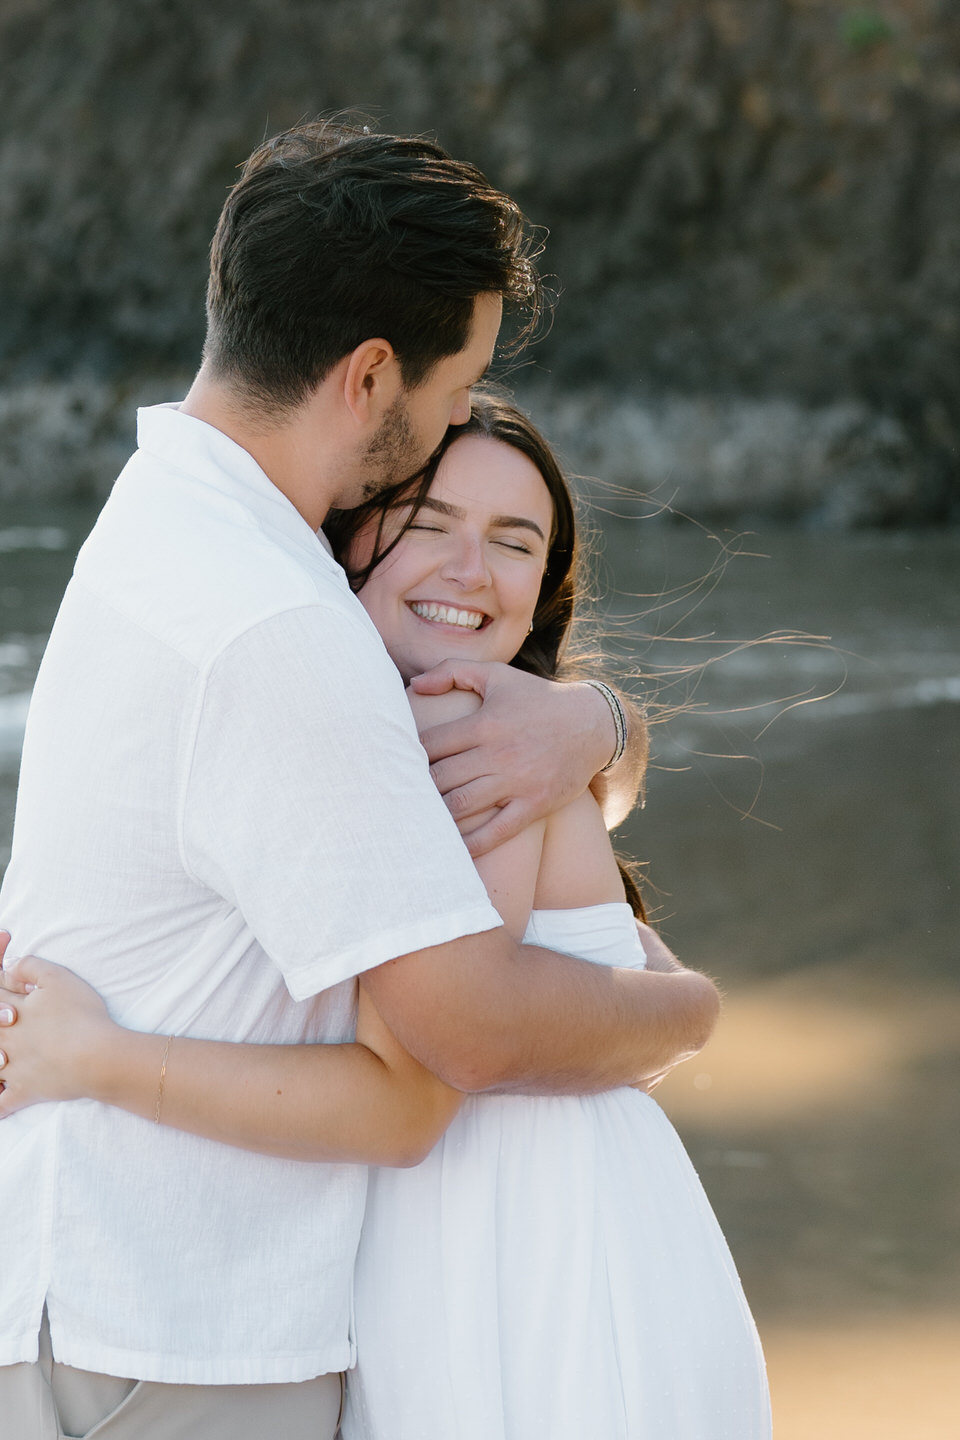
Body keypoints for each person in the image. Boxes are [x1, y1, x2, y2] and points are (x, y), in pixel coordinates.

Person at [0, 121, 718, 1440]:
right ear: (372, 372)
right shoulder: (280, 625)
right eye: (459, 388)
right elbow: (459, 1044)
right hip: (175, 1335)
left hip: (89, 1291)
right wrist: (692, 1011)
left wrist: (600, 725)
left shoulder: (159, 522)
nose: (456, 423)